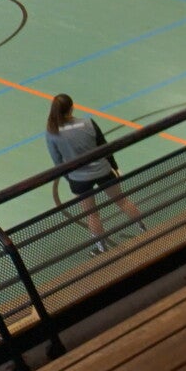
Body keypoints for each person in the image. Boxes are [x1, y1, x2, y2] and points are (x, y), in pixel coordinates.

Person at [43, 95, 147, 256]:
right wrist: (115, 167)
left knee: (92, 214)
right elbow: (104, 147)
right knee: (122, 201)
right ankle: (144, 230)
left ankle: (102, 248)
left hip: (79, 179)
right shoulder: (88, 123)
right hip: (103, 170)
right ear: (72, 108)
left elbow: (58, 161)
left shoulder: (52, 133)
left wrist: (70, 178)